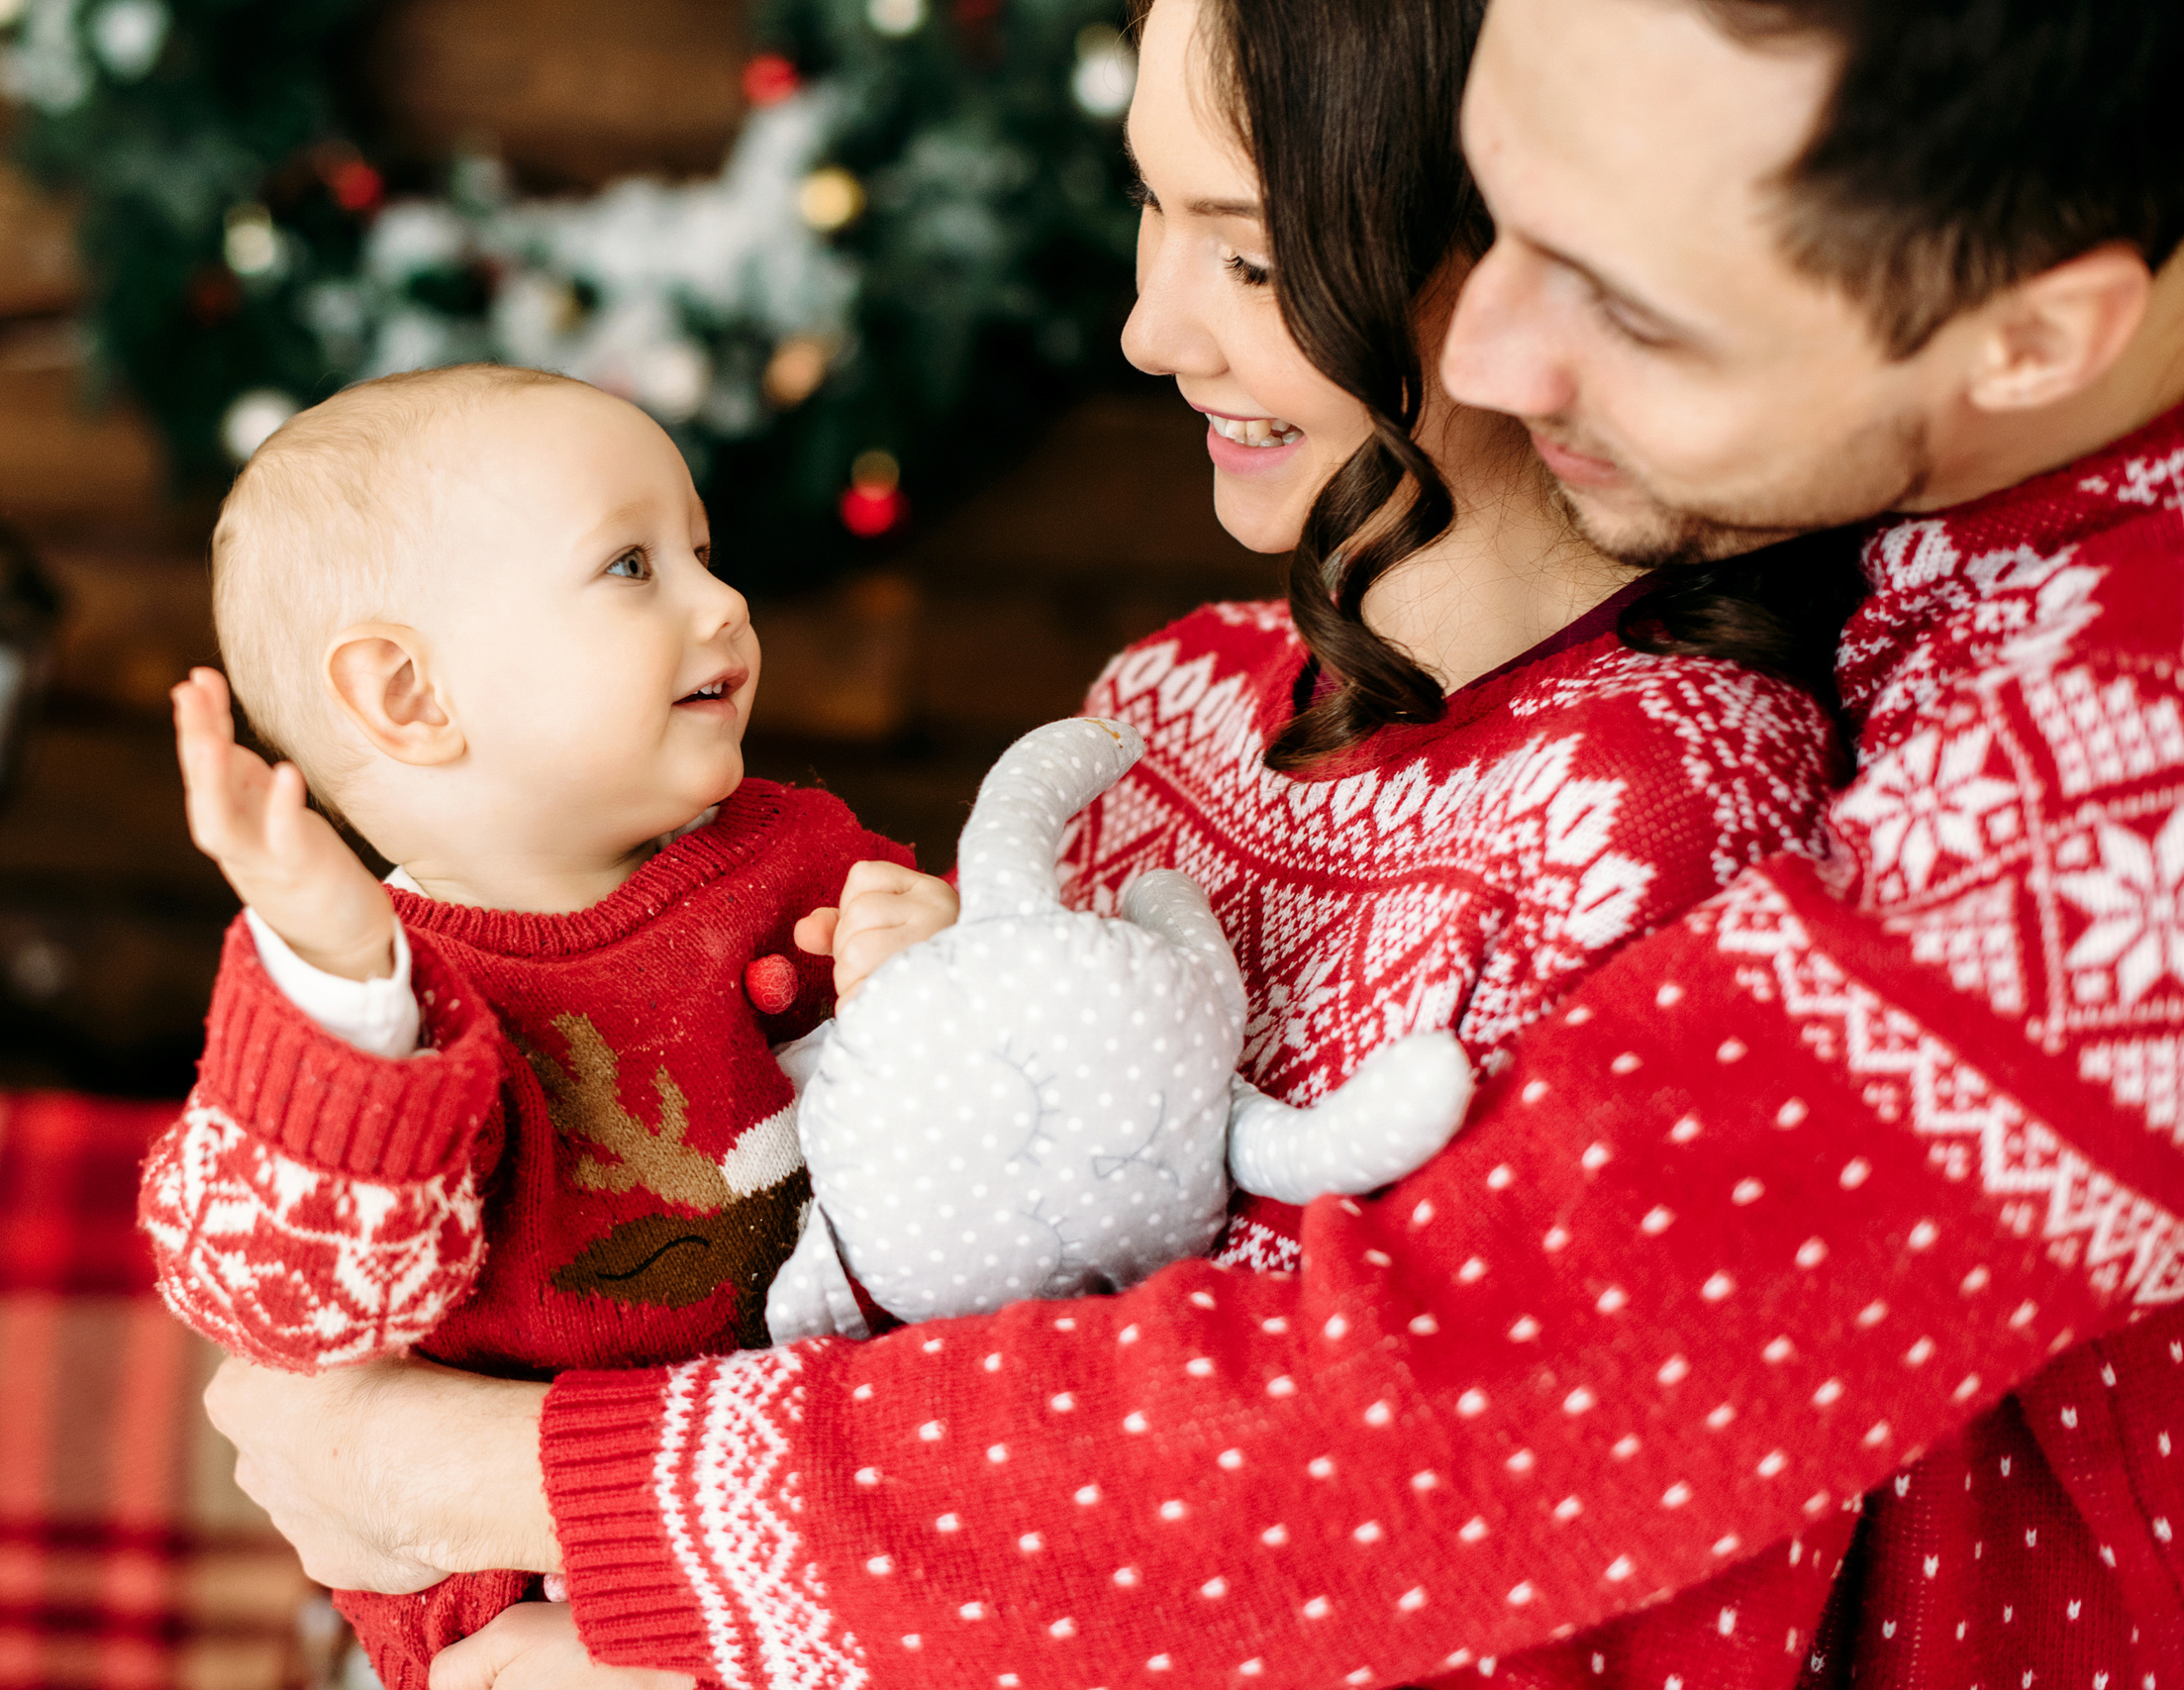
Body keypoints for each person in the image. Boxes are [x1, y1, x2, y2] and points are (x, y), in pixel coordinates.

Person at [205, 0, 2184, 1682]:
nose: (1487, 344)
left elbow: (1453, 1420)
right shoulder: (1203, 697)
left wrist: (495, 1498)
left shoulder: (2087, 776)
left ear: (2027, 342)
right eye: (1496, 221)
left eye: (1615, 297)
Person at [138, 365, 957, 1688]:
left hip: (838, 1561)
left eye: (701, 550)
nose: (721, 601)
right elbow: (299, 1310)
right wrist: (345, 981)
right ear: (410, 698)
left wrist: (938, 981)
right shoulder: (360, 999)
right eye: (632, 567)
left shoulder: (805, 862)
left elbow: (995, 1166)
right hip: (528, 1616)